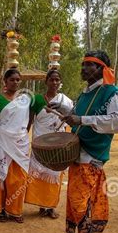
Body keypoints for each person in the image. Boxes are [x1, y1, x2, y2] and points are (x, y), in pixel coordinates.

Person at [56, 50, 118, 233]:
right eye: (84, 64)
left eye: (90, 65)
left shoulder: (111, 93)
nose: (84, 68)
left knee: (81, 204)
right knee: (77, 202)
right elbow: (79, 114)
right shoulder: (85, 93)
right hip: (78, 154)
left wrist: (83, 119)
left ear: (101, 69)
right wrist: (65, 111)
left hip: (92, 156)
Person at [25, 69, 73, 218]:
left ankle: (51, 207)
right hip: (40, 142)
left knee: (55, 172)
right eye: (51, 79)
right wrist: (23, 137)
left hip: (58, 143)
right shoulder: (37, 100)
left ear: (60, 82)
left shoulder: (66, 101)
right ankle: (41, 205)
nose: (54, 82)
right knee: (39, 174)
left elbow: (70, 119)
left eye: (57, 80)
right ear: (46, 81)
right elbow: (29, 121)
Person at [0, 69, 32, 223]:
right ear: (5, 81)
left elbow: (30, 117)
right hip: (4, 142)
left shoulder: (25, 100)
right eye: (12, 79)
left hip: (20, 143)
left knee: (20, 178)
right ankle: (2, 210)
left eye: (18, 80)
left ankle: (15, 210)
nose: (15, 82)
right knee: (3, 174)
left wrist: (24, 132)